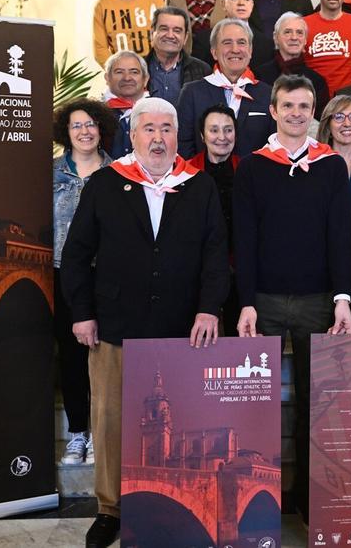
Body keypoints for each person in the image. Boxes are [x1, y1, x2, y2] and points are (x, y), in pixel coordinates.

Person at [61, 97, 228, 548]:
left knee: (178, 423)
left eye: (167, 129)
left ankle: (165, 507)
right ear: (132, 135)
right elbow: (76, 254)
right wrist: (82, 314)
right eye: (148, 128)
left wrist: (209, 308)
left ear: (178, 136)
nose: (158, 138)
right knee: (111, 418)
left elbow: (216, 254)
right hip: (115, 323)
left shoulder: (200, 186)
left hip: (183, 328)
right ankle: (111, 509)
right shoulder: (104, 184)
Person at [235, 74, 351, 522]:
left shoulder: (329, 167)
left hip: (316, 300)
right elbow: (244, 241)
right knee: (254, 403)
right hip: (262, 299)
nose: (296, 113)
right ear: (273, 110)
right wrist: (245, 301)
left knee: (316, 406)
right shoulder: (252, 167)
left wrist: (343, 299)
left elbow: (339, 237)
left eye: (305, 106)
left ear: (313, 112)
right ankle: (258, 505)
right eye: (288, 106)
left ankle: (308, 500)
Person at [52, 99, 118, 469]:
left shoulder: (119, 173)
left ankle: (103, 433)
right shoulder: (51, 175)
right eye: (77, 125)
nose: (85, 131)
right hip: (64, 273)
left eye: (91, 124)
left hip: (108, 275)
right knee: (73, 357)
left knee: (106, 357)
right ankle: (78, 433)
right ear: (66, 131)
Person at [177, 19, 274, 159]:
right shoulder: (192, 93)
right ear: (214, 52)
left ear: (250, 51)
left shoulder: (268, 94)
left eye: (241, 42)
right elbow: (183, 147)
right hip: (206, 178)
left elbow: (274, 146)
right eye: (227, 43)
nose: (235, 49)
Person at [189, 104, 241, 337]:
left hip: (240, 270)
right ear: (202, 135)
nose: (222, 137)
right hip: (197, 272)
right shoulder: (186, 172)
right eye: (214, 130)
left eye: (228, 130)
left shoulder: (248, 169)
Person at [254, 12, 331, 110]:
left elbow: (321, 121)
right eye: (287, 32)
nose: (294, 37)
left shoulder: (317, 81)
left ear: (305, 40)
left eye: (299, 32)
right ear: (275, 37)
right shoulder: (259, 76)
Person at [145, 6, 209, 105]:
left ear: (185, 37)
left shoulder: (202, 71)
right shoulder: (138, 68)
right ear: (152, 33)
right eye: (164, 29)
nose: (170, 35)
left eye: (177, 31)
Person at [206, 0, 275, 67]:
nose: (241, 3)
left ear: (252, 5)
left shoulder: (266, 44)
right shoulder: (205, 40)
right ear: (223, 4)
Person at [103, 50, 151, 159]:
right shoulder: (92, 113)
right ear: (107, 78)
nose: (127, 78)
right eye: (119, 72)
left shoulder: (159, 111)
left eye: (134, 72)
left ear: (146, 79)